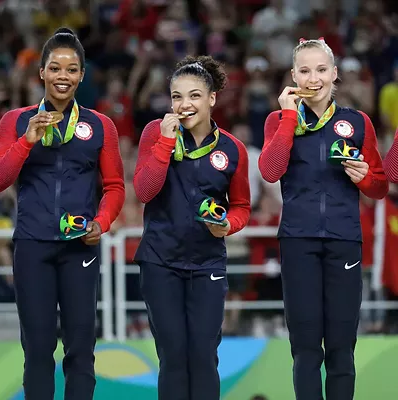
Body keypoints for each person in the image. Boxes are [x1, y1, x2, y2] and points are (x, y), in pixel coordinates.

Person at [0, 28, 125, 400]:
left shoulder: (101, 126)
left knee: (81, 351)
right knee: (37, 351)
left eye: (71, 69)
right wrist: (26, 142)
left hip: (79, 248)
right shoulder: (16, 122)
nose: (63, 76)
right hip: (32, 246)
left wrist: (101, 224)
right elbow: (1, 178)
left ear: (82, 75)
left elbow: (115, 187)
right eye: (55, 68)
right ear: (41, 73)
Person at [258, 38, 388, 400]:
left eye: (320, 70)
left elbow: (379, 187)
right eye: (304, 70)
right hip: (298, 240)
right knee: (305, 350)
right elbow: (269, 171)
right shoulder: (278, 120)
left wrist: (364, 177)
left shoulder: (357, 122)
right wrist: (286, 118)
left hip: (344, 239)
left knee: (342, 348)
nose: (313, 78)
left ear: (334, 74)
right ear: (293, 75)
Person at [133, 55, 251, 400]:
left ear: (212, 98)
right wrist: (166, 143)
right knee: (172, 357)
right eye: (177, 96)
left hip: (207, 263)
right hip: (160, 261)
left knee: (203, 357)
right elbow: (144, 191)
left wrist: (228, 225)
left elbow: (241, 207)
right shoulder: (155, 133)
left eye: (195, 95)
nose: (185, 104)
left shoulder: (233, 149)